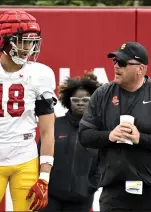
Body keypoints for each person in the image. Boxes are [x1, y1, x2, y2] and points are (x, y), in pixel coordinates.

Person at [78, 42, 151, 212]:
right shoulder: (102, 94)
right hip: (114, 190)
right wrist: (109, 136)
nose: (116, 66)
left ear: (140, 69)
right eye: (115, 61)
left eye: (122, 63)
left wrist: (140, 138)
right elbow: (84, 134)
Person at [0, 10, 56, 211]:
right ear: (2, 40)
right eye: (22, 40)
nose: (28, 48)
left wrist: (44, 177)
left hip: (26, 161)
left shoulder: (40, 74)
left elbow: (48, 131)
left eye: (32, 41)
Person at [38, 72, 102, 212]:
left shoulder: (98, 131)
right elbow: (39, 154)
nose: (80, 103)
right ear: (68, 101)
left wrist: (90, 186)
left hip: (81, 200)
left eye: (85, 100)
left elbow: (104, 163)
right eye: (76, 99)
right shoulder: (55, 126)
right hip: (51, 198)